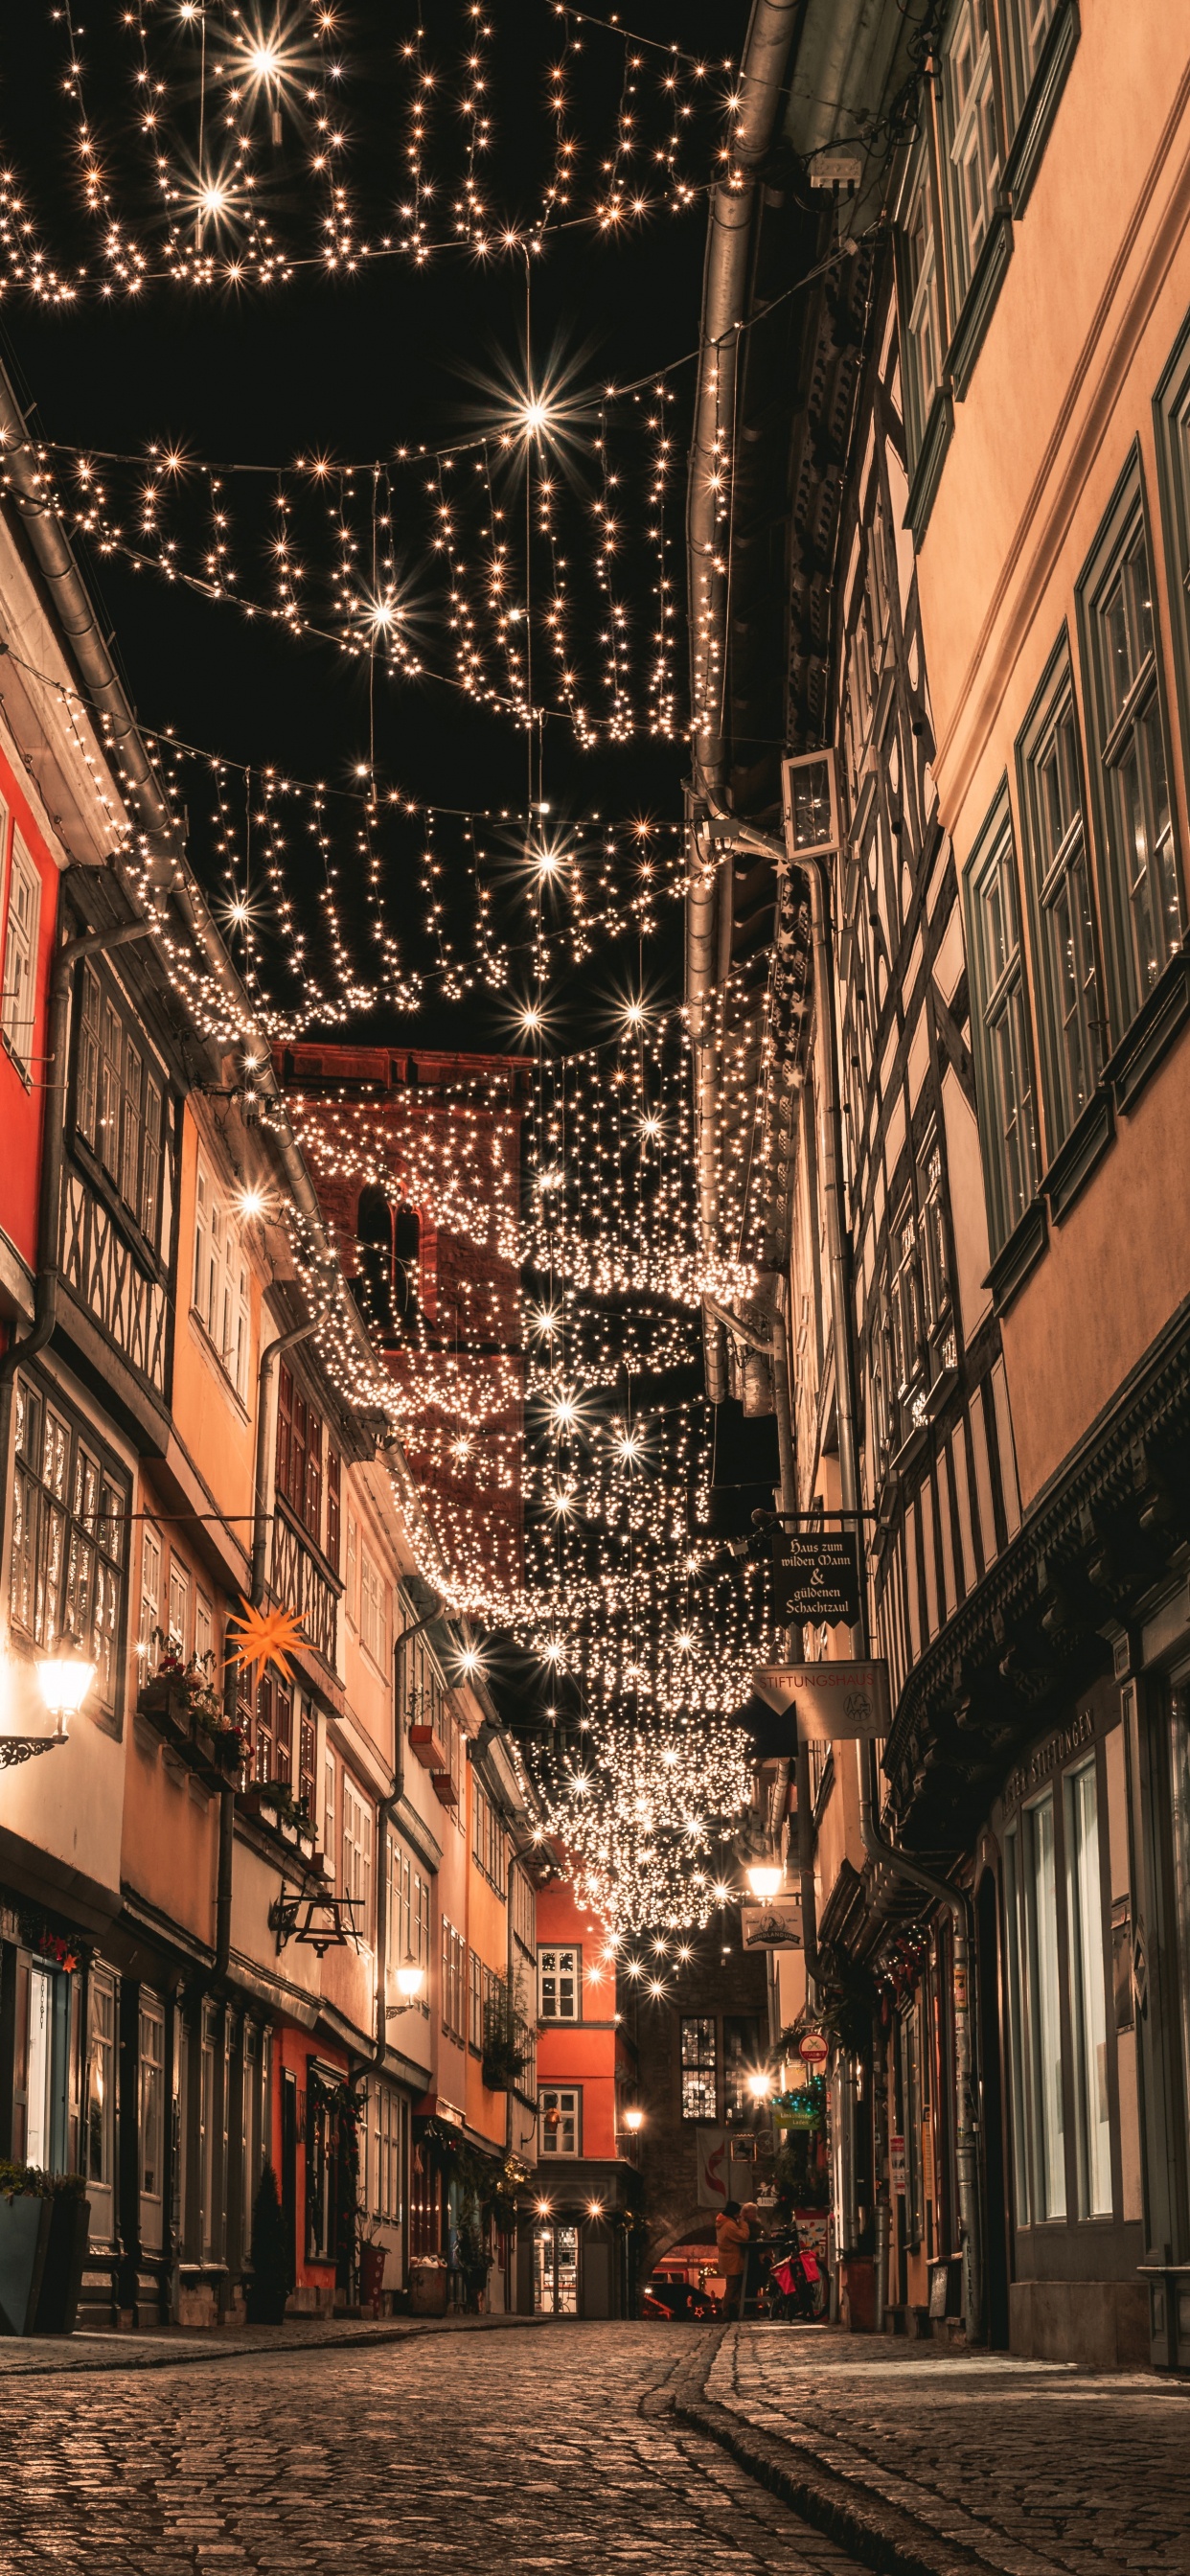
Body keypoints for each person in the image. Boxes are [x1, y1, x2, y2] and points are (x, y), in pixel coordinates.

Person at [715, 2198, 750, 2320]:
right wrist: (743, 2224)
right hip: (732, 2260)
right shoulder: (729, 2225)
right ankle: (727, 2312)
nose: (739, 2215)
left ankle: (731, 2311)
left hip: (729, 2259)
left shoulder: (724, 2222)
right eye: (737, 2213)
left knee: (733, 2286)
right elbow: (743, 2237)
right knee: (732, 2286)